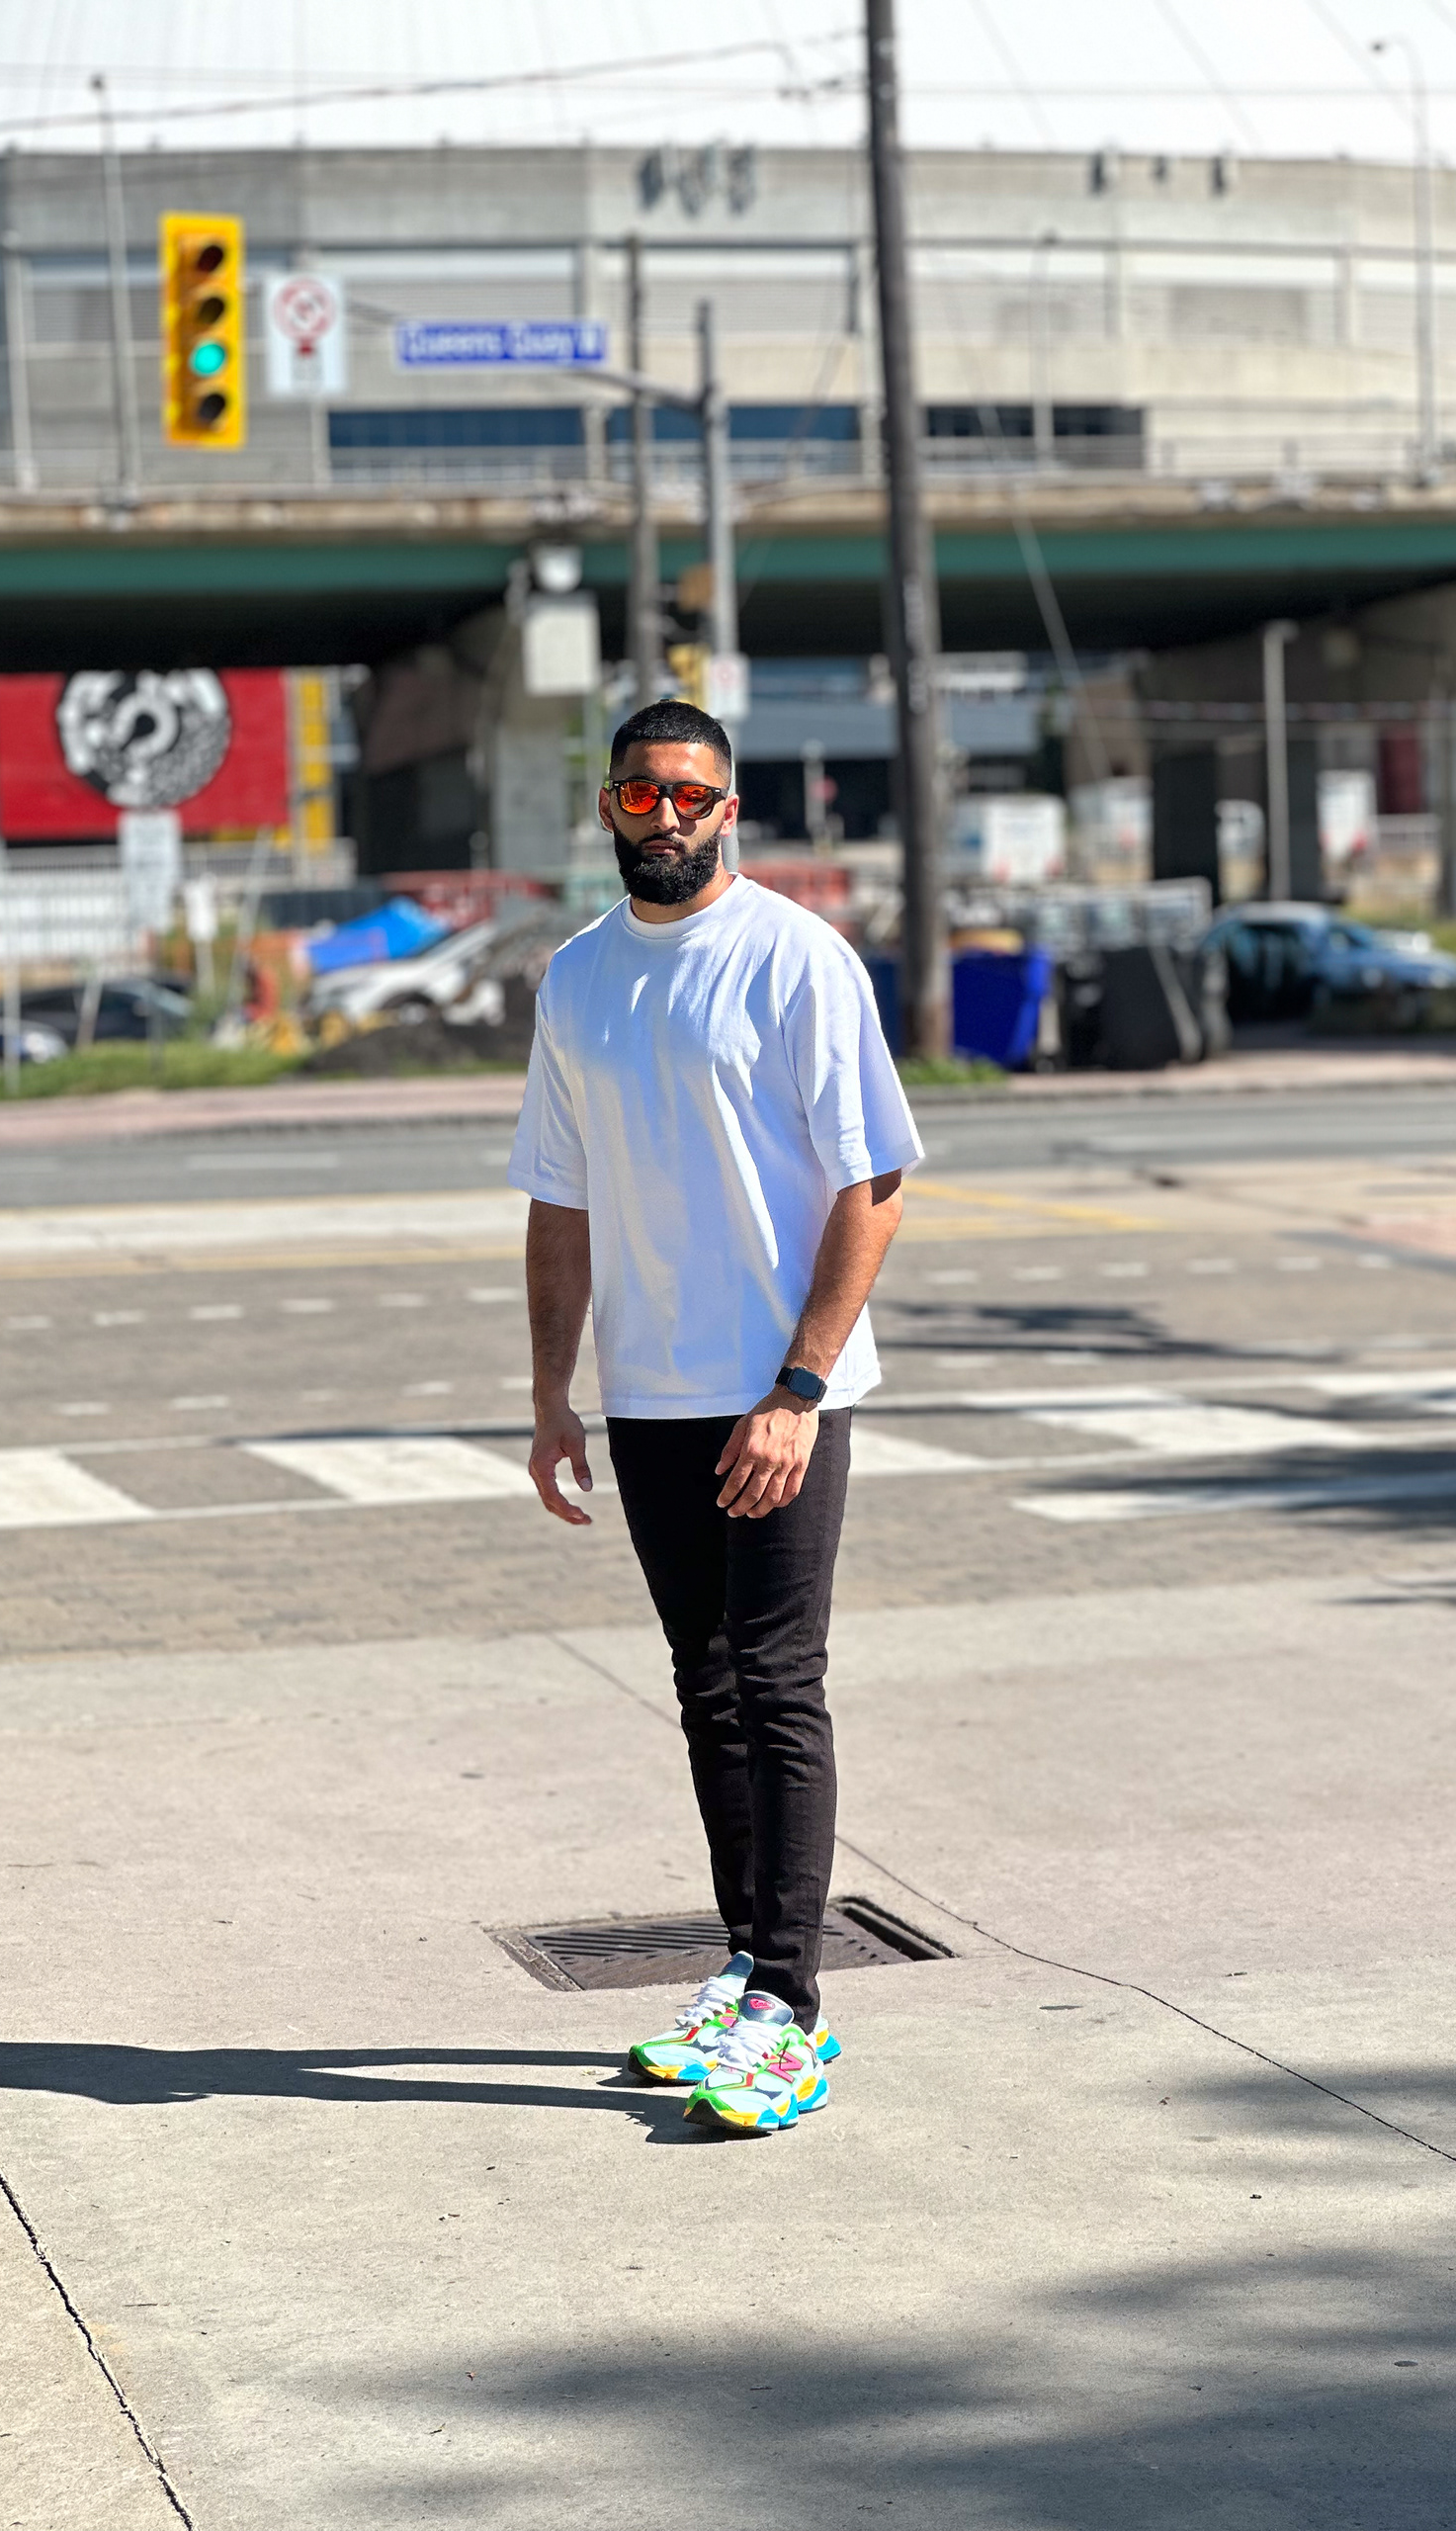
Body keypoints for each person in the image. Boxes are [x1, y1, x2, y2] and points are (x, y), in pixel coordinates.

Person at [508, 696, 923, 2138]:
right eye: (640, 796)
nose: (666, 817)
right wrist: (554, 1396)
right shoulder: (576, 981)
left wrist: (800, 1387)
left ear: (728, 810)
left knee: (774, 1680)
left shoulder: (798, 961)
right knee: (703, 1681)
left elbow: (871, 1182)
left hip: (774, 1396)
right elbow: (558, 1203)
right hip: (650, 1395)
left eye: (691, 796)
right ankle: (748, 1966)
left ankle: (792, 2010)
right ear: (609, 808)